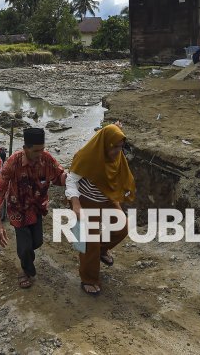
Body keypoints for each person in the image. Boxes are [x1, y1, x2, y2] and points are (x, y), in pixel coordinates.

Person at [0, 128, 67, 289]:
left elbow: (59, 175)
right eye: (36, 150)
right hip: (18, 209)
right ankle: (26, 270)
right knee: (25, 247)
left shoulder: (46, 158)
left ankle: (25, 254)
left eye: (42, 149)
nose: (40, 153)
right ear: (25, 149)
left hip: (37, 207)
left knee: (37, 242)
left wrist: (70, 178)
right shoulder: (13, 162)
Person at [66, 122, 134, 296]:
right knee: (88, 240)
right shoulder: (87, 157)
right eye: (115, 147)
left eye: (121, 146)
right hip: (86, 201)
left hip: (107, 199)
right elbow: (71, 180)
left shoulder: (114, 156)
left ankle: (101, 249)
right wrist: (75, 204)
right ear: (105, 145)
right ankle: (88, 278)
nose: (119, 151)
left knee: (122, 227)